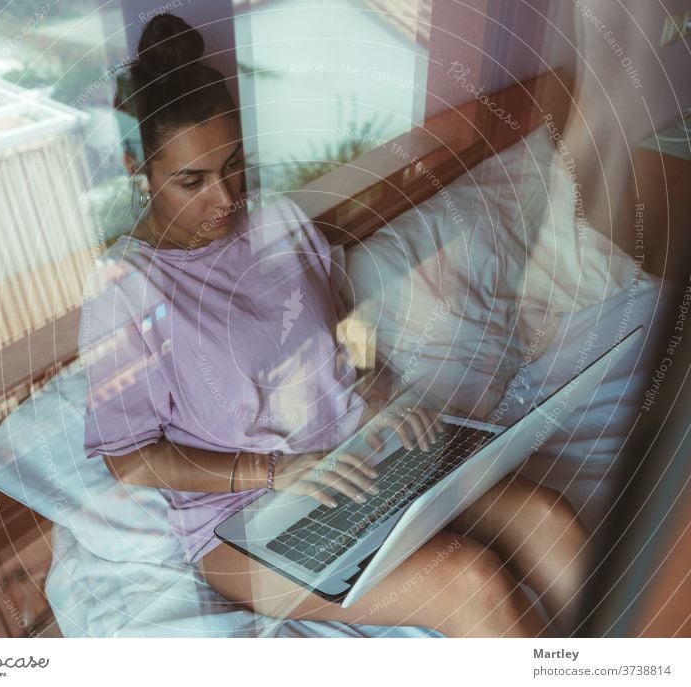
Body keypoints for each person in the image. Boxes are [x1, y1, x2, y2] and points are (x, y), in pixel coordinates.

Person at [79, 13, 590, 638]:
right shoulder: (126, 293)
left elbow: (343, 327)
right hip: (247, 515)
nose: (225, 198)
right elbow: (130, 462)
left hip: (362, 453)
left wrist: (379, 394)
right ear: (137, 166)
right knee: (470, 580)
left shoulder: (277, 225)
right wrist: (277, 472)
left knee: (550, 518)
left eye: (234, 165)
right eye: (192, 181)